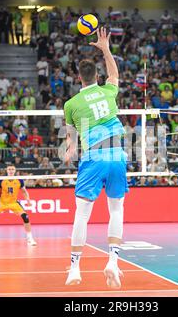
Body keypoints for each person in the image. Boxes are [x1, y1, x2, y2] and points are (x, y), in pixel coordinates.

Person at [63, 28, 127, 288]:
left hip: (94, 156)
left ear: (79, 78)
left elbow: (71, 141)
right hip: (118, 154)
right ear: (96, 76)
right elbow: (115, 73)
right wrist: (105, 48)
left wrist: (69, 151)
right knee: (116, 209)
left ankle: (75, 268)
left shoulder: (71, 104)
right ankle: (113, 261)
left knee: (82, 215)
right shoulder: (108, 91)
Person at [0, 165, 36, 246]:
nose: (11, 171)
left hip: (13, 203)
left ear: (15, 171)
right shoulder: (1, 180)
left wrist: (28, 200)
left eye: (12, 169)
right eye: (9, 169)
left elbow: (24, 191)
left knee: (25, 217)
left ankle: (30, 239)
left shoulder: (19, 180)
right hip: (3, 202)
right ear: (6, 170)